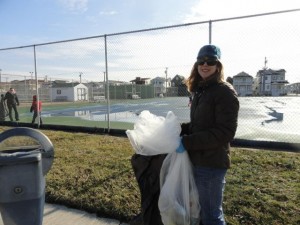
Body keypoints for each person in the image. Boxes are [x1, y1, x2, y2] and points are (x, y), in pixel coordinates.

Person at [176, 44, 239, 225]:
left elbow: (225, 132)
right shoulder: (202, 90)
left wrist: (186, 142)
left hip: (211, 164)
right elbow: (200, 125)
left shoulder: (224, 92)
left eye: (210, 61)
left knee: (212, 216)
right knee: (203, 211)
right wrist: (179, 129)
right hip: (198, 159)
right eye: (201, 61)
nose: (205, 64)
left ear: (218, 66)